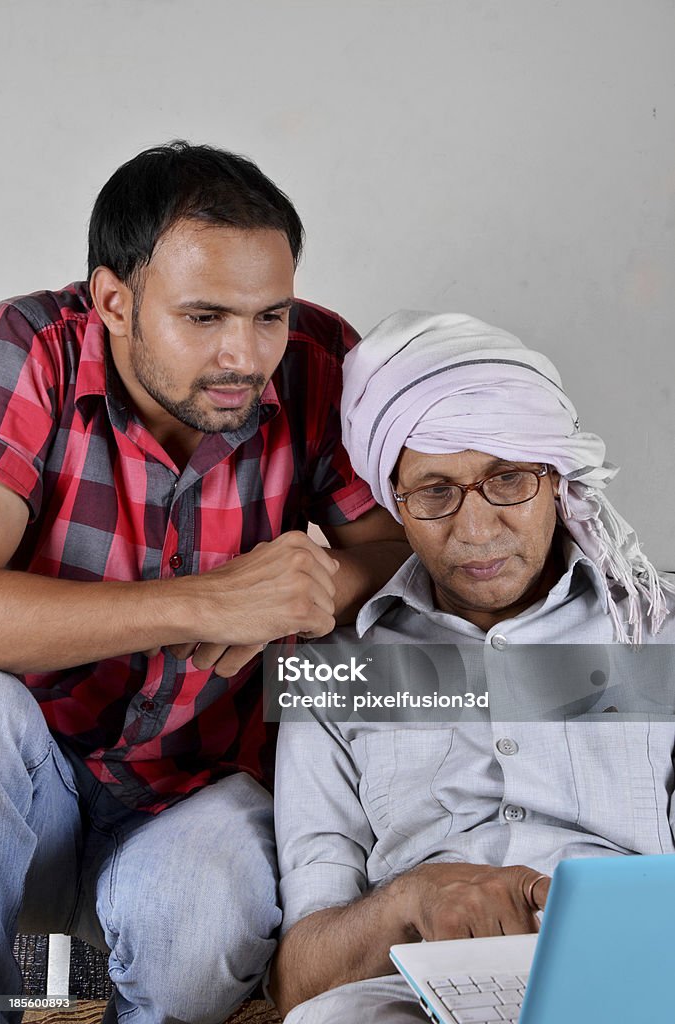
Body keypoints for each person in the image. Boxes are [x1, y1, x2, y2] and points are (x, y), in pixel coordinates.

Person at [0, 142, 408, 1024]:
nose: (244, 356)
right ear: (112, 300)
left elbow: (393, 553)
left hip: (197, 774)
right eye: (205, 316)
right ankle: (30, 988)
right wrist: (203, 600)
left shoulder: (320, 362)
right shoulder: (31, 349)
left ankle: (84, 984)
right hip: (32, 764)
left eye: (269, 315)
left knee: (191, 949)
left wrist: (303, 588)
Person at [270, 311, 675, 1022]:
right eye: (434, 492)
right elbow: (301, 976)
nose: (476, 530)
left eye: (508, 479)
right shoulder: (332, 667)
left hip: (633, 981)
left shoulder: (657, 631)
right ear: (393, 503)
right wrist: (410, 901)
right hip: (410, 993)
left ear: (557, 479)